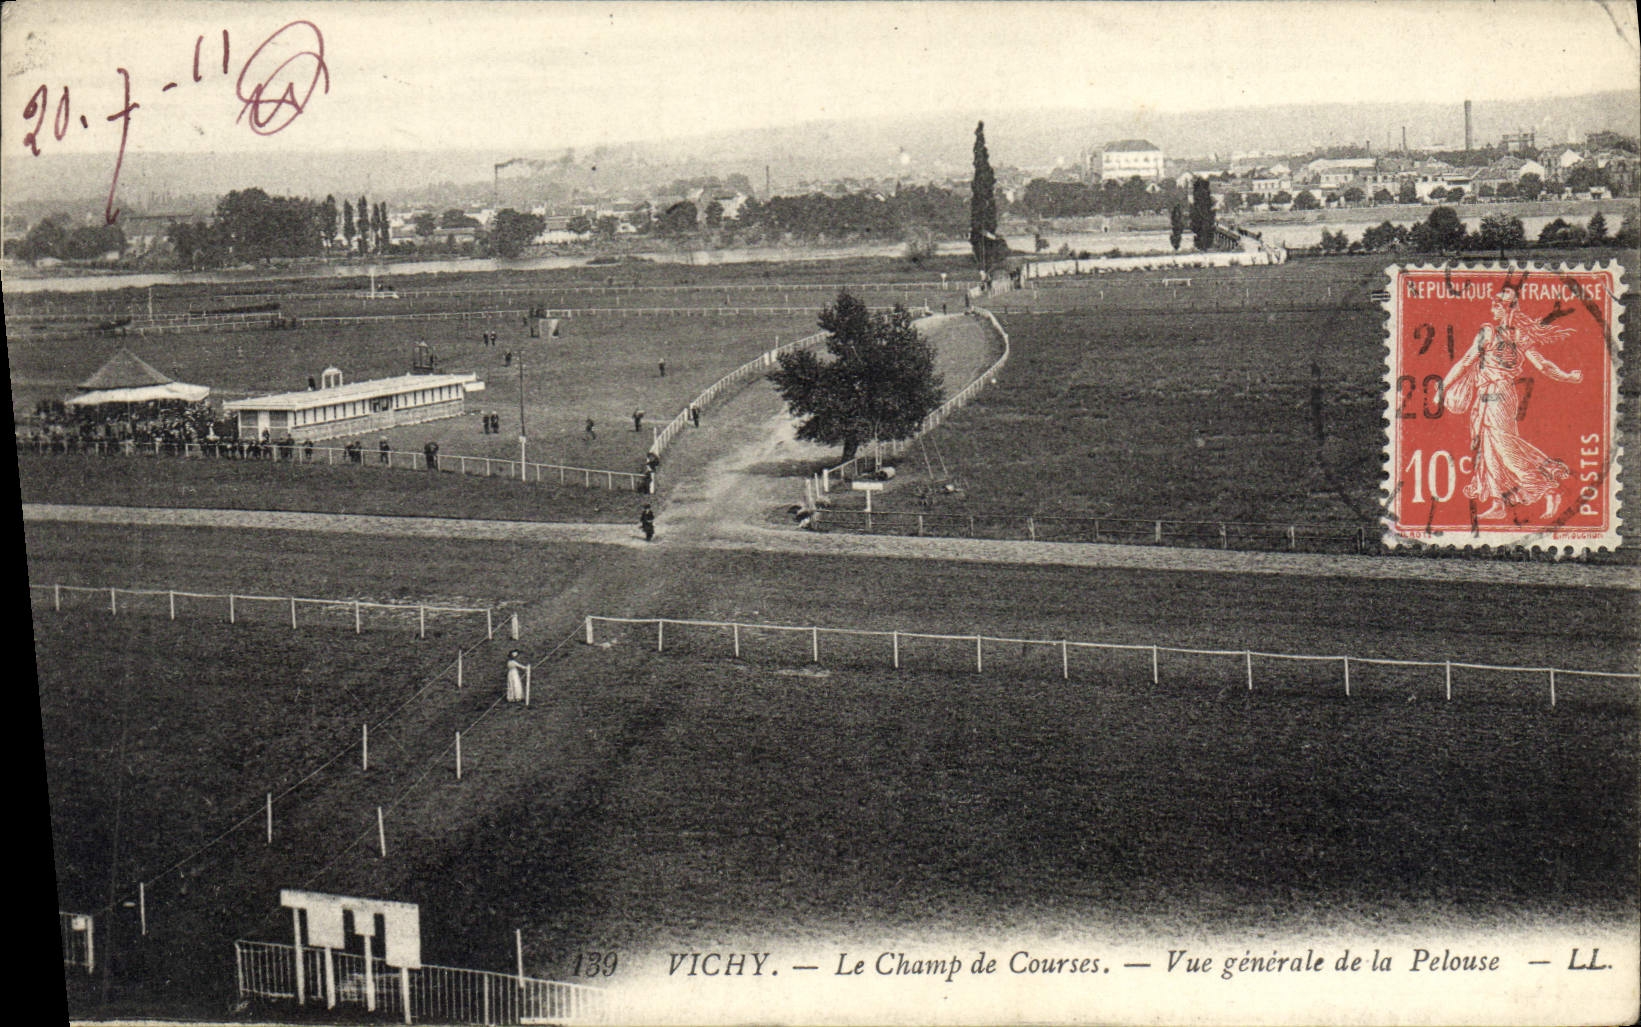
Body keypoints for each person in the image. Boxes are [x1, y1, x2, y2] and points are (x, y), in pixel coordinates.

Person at [1441, 287, 1581, 519]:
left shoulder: (1493, 333)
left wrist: (1442, 387)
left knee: (1506, 449)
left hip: (1498, 396)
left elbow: (1466, 362)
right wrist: (1567, 376)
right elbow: (1543, 365)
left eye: (1496, 305)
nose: (1491, 309)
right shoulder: (1516, 335)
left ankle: (1547, 488)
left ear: (1505, 308)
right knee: (1489, 450)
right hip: (1489, 397)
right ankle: (1499, 504)